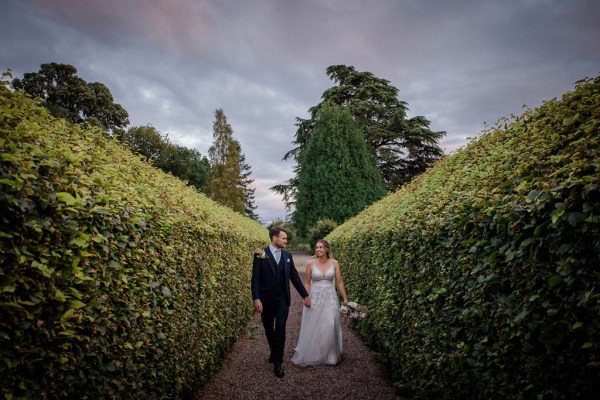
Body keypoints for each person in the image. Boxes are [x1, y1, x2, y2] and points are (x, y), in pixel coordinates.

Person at [251, 226, 311, 378]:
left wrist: (305, 295)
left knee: (281, 327)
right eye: (283, 238)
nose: (286, 240)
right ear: (274, 238)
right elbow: (255, 279)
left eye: (286, 238)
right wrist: (256, 298)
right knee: (268, 327)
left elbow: (295, 277)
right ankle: (274, 350)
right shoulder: (260, 255)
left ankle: (278, 363)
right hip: (266, 299)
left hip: (283, 299)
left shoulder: (287, 255)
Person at [291, 239, 348, 366]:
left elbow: (339, 282)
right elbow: (307, 282)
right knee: (315, 324)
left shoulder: (334, 263)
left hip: (330, 298)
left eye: (321, 247)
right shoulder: (310, 263)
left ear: (327, 249)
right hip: (315, 297)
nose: (318, 249)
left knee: (330, 323)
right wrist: (306, 297)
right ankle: (315, 354)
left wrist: (345, 298)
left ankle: (330, 355)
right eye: (316, 247)